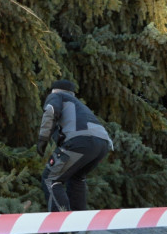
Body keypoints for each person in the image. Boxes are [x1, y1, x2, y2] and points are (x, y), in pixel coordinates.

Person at [36, 79, 113, 212]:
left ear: (54, 90)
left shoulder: (57, 96)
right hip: (103, 144)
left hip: (81, 141)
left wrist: (43, 139)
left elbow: (51, 111)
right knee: (77, 178)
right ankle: (77, 225)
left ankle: (60, 227)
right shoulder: (79, 105)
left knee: (51, 179)